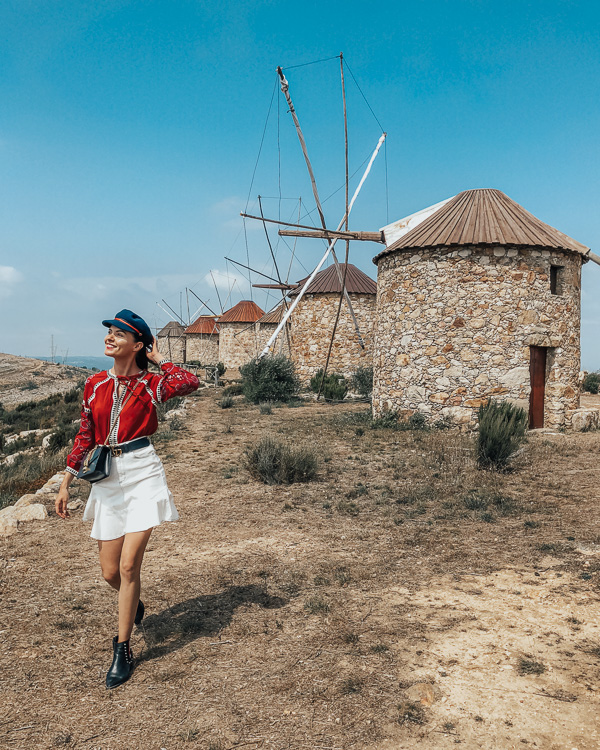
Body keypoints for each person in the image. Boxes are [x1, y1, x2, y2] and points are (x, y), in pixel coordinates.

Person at [55, 309, 199, 688]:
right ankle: (133, 603)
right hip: (106, 477)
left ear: (137, 345)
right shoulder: (94, 384)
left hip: (142, 471)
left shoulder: (151, 384)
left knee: (129, 566)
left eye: (119, 334)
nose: (110, 337)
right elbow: (85, 434)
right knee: (109, 572)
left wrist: (158, 358)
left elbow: (189, 381)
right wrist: (67, 480)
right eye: (109, 332)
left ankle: (122, 648)